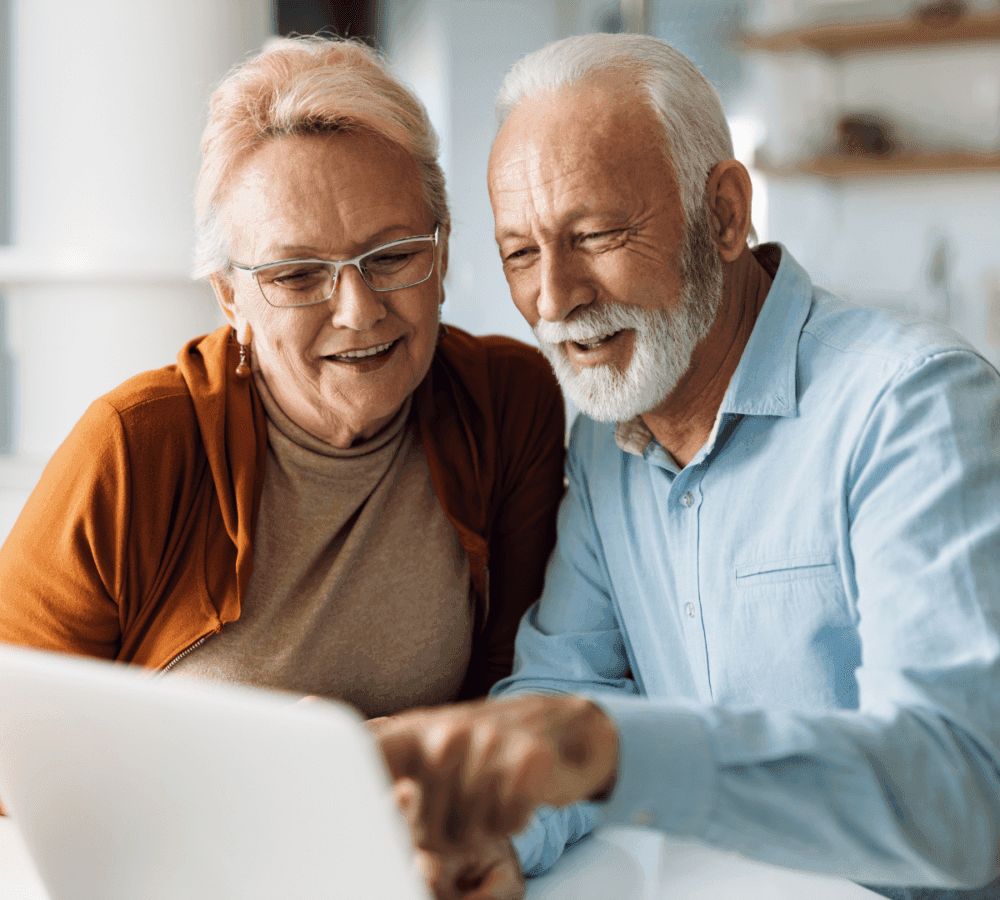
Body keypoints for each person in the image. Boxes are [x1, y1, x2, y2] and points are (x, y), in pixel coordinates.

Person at [375, 33, 1000, 900]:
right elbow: (566, 687)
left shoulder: (912, 407)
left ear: (724, 214)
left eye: (594, 234)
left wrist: (615, 754)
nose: (554, 300)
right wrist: (503, 835)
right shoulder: (609, 438)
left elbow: (962, 802)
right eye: (521, 253)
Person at [0, 37, 565, 720]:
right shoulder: (133, 446)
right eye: (297, 275)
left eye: (390, 257)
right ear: (231, 298)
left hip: (409, 826)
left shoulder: (507, 402)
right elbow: (15, 741)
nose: (358, 311)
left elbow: (514, 690)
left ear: (441, 256)